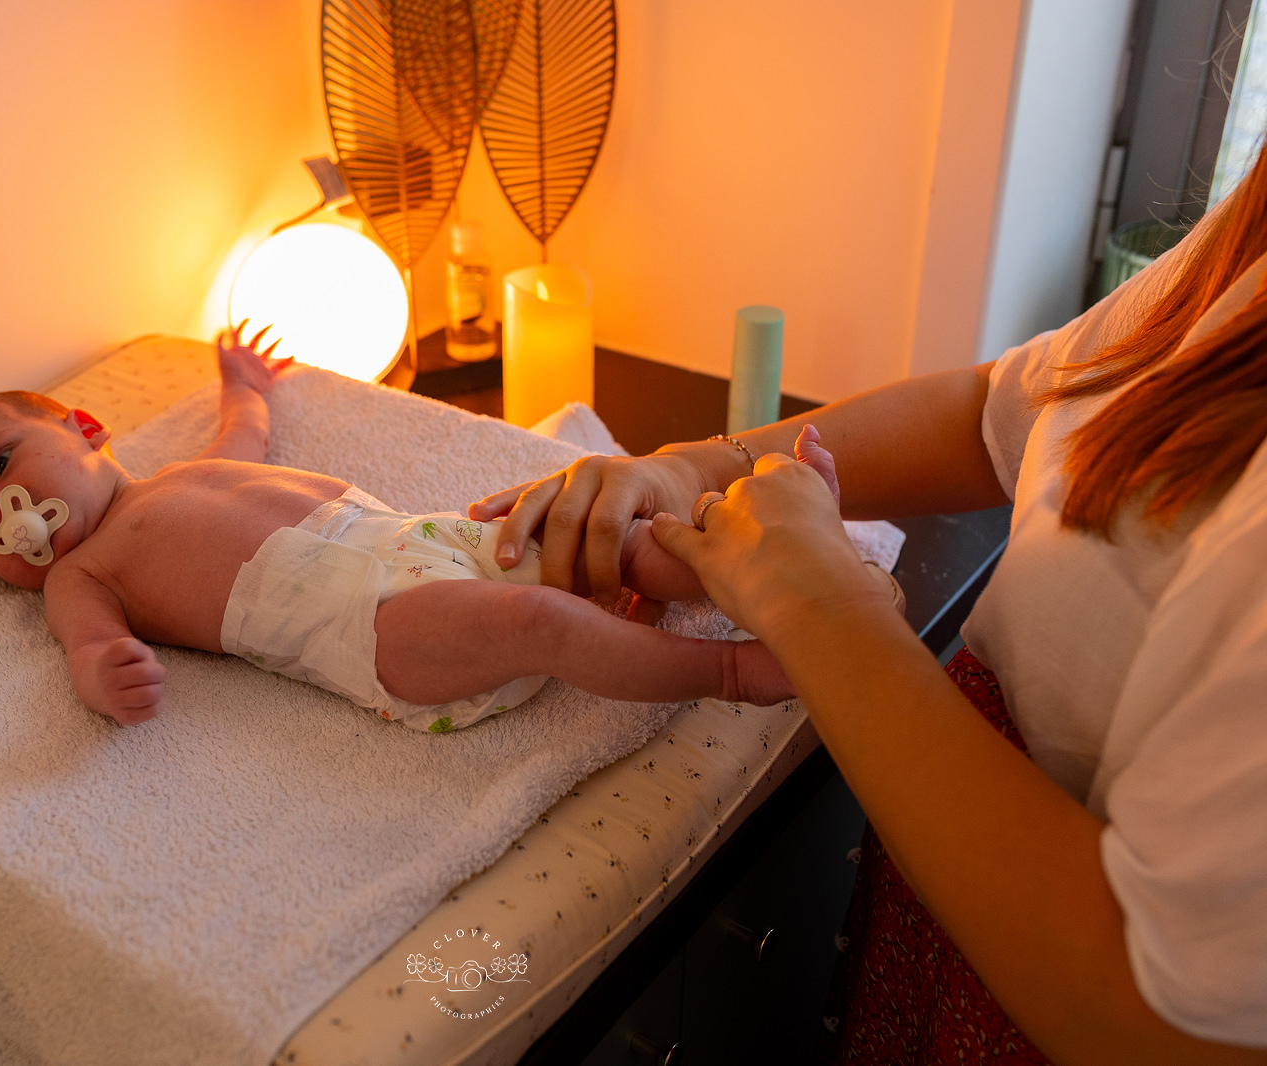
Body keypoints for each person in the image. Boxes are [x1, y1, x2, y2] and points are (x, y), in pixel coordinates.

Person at [470, 158, 1267, 1062]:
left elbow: (1159, 1014)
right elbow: (1002, 411)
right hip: (961, 901)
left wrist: (818, 602)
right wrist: (696, 467)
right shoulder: (1247, 240)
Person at [0, 328, 896, 732]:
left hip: (418, 538)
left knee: (588, 529)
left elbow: (246, 435)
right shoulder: (77, 576)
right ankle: (727, 673)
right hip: (369, 632)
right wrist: (102, 676)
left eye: (3, 464)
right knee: (536, 625)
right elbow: (90, 644)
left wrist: (241, 386)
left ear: (78, 428)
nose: (3, 516)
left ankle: (762, 555)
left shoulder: (181, 472)